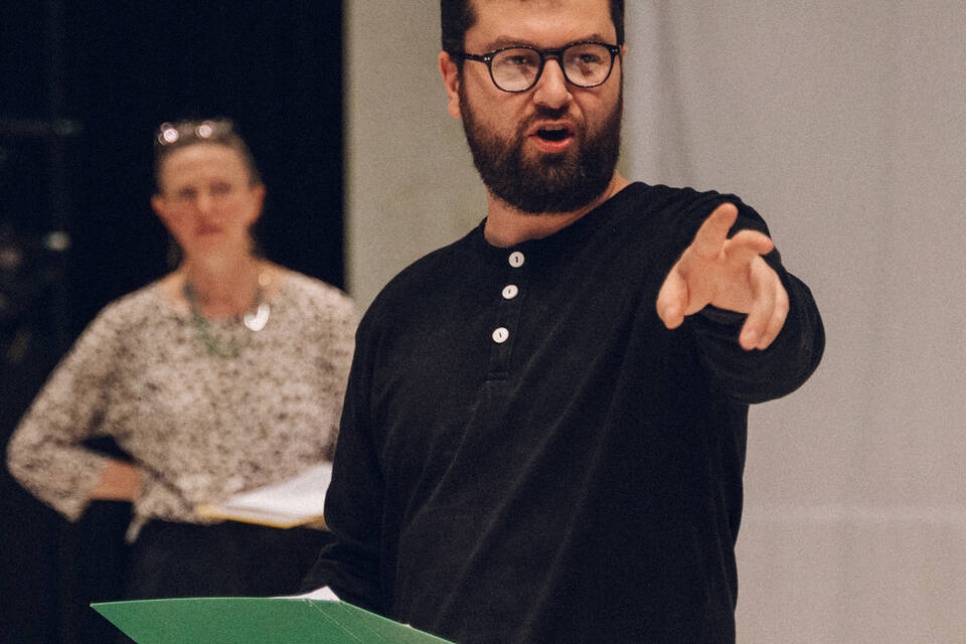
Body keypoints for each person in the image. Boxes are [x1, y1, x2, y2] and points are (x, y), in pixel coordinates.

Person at [301, 0, 825, 642]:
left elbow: (777, 353)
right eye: (516, 62)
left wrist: (744, 303)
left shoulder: (690, 243)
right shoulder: (405, 310)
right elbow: (357, 563)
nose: (556, 91)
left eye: (585, 60)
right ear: (452, 80)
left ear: (620, 66)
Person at [6, 118, 357, 600]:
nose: (205, 208)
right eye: (186, 194)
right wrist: (144, 486)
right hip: (181, 567)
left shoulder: (324, 314)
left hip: (301, 562)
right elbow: (33, 449)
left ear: (254, 199)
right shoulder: (129, 325)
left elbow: (369, 448)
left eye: (220, 189)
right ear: (163, 210)